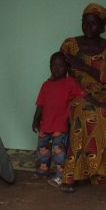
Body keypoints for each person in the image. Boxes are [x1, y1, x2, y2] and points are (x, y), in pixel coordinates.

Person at [59, 3, 106, 194]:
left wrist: (83, 66)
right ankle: (72, 174)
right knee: (83, 112)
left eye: (94, 24)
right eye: (85, 23)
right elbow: (58, 73)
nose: (88, 28)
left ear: (103, 25)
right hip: (76, 96)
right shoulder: (69, 45)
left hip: (105, 96)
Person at [32, 51, 84, 186]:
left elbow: (81, 96)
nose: (56, 69)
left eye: (60, 66)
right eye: (53, 65)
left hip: (60, 126)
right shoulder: (46, 85)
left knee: (58, 152)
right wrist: (35, 119)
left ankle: (60, 175)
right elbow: (40, 104)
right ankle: (43, 169)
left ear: (67, 68)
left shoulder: (70, 83)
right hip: (45, 125)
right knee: (42, 149)